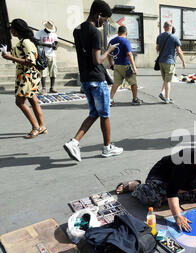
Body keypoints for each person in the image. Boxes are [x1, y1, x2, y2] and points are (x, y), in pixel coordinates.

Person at [115, 138, 196, 232]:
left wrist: (178, 192)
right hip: (162, 179)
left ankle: (166, 199)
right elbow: (172, 191)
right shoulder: (184, 160)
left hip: (185, 187)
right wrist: (177, 216)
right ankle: (135, 186)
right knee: (151, 197)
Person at [63, 0, 123, 162]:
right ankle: (107, 147)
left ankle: (74, 142)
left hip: (85, 79)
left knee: (95, 113)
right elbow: (97, 60)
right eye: (104, 20)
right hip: (97, 78)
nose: (104, 23)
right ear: (98, 15)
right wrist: (109, 50)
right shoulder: (95, 32)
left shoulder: (78, 29)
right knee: (104, 114)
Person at [1, 19, 47, 139]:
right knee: (33, 101)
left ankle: (35, 127)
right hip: (26, 75)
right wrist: (8, 55)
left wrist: (10, 57)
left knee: (19, 102)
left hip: (27, 76)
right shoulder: (23, 42)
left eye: (12, 28)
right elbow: (21, 57)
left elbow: (30, 62)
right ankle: (42, 126)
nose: (11, 31)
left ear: (17, 30)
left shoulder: (26, 42)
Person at [107, 26, 143, 106]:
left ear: (118, 32)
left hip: (116, 65)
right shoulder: (125, 41)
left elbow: (108, 54)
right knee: (133, 83)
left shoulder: (112, 41)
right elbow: (129, 54)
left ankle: (110, 99)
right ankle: (135, 99)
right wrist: (134, 67)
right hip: (126, 66)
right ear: (126, 33)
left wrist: (111, 64)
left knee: (116, 83)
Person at [156, 21, 186, 104]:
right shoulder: (174, 37)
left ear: (164, 27)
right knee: (168, 81)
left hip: (161, 61)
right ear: (171, 27)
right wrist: (183, 61)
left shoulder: (159, 37)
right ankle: (167, 98)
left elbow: (157, 48)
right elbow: (179, 51)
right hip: (169, 61)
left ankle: (162, 93)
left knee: (166, 79)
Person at [35, 20, 58, 94]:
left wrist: (56, 46)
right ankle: (44, 88)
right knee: (43, 72)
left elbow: (56, 41)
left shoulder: (53, 34)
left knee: (53, 71)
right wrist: (46, 45)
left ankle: (52, 88)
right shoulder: (39, 33)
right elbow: (36, 42)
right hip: (42, 54)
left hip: (52, 55)